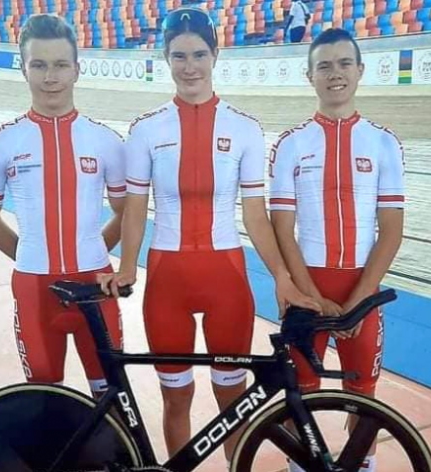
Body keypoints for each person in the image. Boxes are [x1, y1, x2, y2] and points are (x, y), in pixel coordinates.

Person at [98, 7, 318, 466]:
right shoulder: (146, 129)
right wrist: (126, 265)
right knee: (176, 398)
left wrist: (281, 276)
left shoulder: (245, 129)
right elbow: (135, 207)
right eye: (179, 56)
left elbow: (255, 215)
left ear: (215, 55)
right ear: (166, 58)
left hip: (226, 281)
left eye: (199, 54)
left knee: (232, 397)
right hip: (167, 281)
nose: (190, 66)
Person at [269, 28, 405, 472]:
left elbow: (391, 229)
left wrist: (361, 298)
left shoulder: (384, 142)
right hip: (309, 288)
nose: (335, 73)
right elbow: (282, 229)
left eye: (344, 63)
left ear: (360, 70)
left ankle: (359, 466)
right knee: (298, 395)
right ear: (309, 75)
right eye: (324, 66)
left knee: (363, 399)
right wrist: (311, 296)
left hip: (360, 289)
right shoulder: (290, 144)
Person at [0, 14, 127, 398]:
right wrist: (30, 255)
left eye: (60, 65)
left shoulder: (106, 141)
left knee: (111, 397)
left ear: (77, 69)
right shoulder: (1, 142)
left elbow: (127, 212)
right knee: (44, 399)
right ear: (23, 69)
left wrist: (93, 250)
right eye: (39, 65)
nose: (50, 76)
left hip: (96, 282)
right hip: (33, 287)